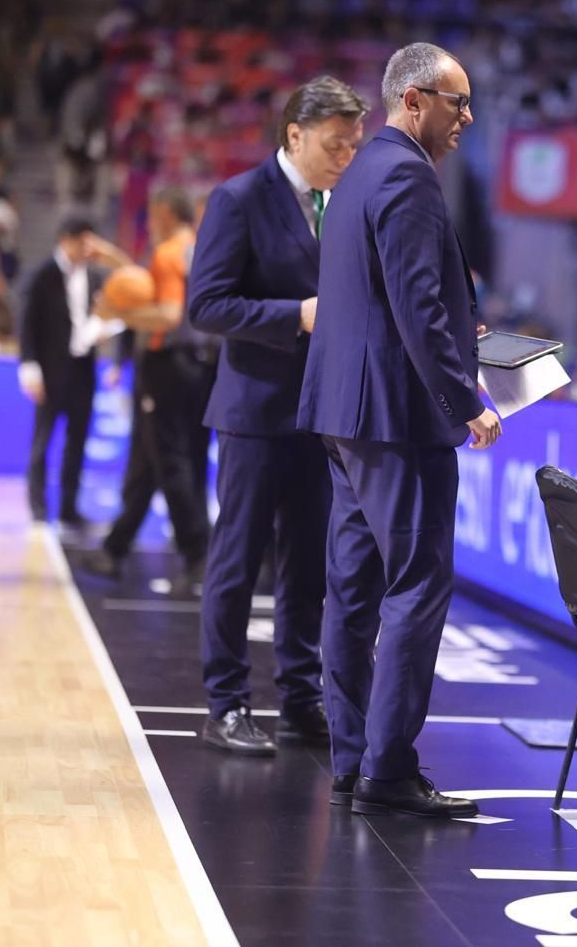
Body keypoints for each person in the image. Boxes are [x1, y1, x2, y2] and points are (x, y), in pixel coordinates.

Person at [298, 43, 499, 819]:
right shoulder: (408, 176)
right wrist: (463, 398)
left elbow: (387, 296)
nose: (468, 117)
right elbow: (415, 304)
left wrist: (457, 328)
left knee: (352, 592)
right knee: (416, 584)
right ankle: (388, 770)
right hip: (396, 418)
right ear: (413, 100)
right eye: (458, 101)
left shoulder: (358, 173)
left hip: (345, 414)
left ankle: (353, 759)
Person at [187, 76, 368, 756]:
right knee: (237, 560)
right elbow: (206, 305)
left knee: (308, 566)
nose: (347, 156)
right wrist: (296, 315)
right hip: (254, 412)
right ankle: (227, 703)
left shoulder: (344, 202)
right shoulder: (238, 198)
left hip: (322, 412)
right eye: (335, 143)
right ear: (295, 134)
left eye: (354, 144)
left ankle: (299, 695)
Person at [87, 188, 214, 588]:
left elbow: (167, 313)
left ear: (164, 212)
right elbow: (151, 286)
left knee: (170, 461)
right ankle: (115, 548)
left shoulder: (167, 253)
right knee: (152, 459)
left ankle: (198, 554)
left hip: (165, 364)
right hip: (199, 364)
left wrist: (116, 312)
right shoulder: (197, 247)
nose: (149, 221)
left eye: (152, 213)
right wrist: (116, 260)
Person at [19, 218, 130, 530]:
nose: (87, 250)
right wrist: (29, 367)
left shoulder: (93, 276)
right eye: (82, 242)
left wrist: (103, 329)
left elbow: (113, 304)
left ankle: (69, 508)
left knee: (77, 441)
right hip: (49, 370)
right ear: (65, 240)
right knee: (43, 441)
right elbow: (27, 322)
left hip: (83, 369)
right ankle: (38, 508)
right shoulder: (43, 274)